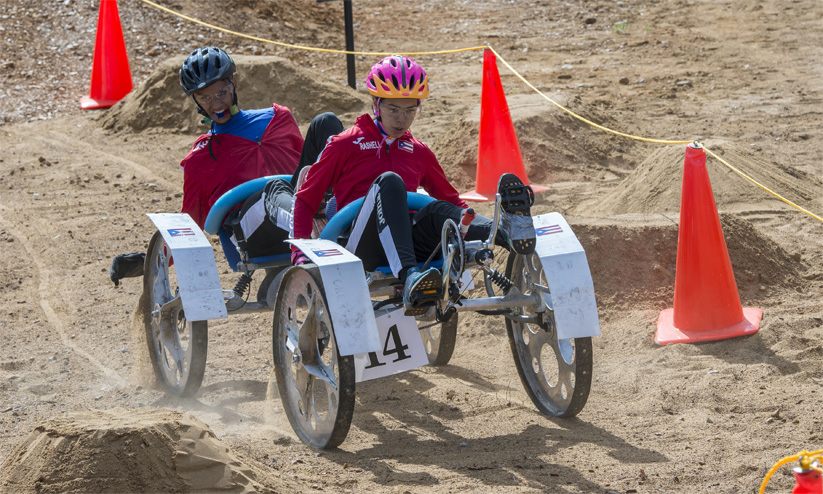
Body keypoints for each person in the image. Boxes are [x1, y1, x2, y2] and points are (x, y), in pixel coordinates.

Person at [290, 55, 536, 316]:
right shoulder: (344, 144)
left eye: (410, 111)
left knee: (437, 210)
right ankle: (410, 277)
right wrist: (299, 253)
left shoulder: (419, 151)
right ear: (376, 104)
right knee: (390, 183)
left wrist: (470, 223)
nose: (401, 119)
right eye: (393, 109)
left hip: (411, 239)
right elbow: (305, 200)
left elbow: (453, 203)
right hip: (362, 245)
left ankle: (504, 229)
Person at [109, 46, 342, 286]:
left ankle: (337, 208)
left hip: (298, 197)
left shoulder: (278, 118)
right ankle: (309, 221)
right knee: (274, 188)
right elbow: (192, 219)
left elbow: (303, 167)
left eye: (222, 92)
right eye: (205, 98)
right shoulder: (200, 157)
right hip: (253, 231)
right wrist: (147, 261)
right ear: (195, 100)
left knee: (326, 122)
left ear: (235, 84)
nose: (216, 103)